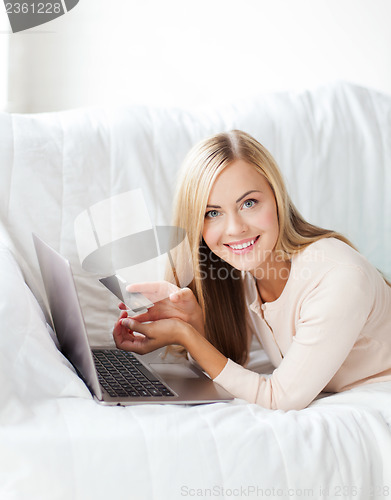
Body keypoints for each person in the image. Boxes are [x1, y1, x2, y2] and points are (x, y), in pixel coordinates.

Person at [113, 130, 391, 411]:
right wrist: (193, 322)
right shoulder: (244, 273)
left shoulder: (338, 277)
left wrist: (186, 336)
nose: (235, 228)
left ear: (277, 198)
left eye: (249, 203)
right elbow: (233, 367)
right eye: (213, 213)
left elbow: (279, 398)